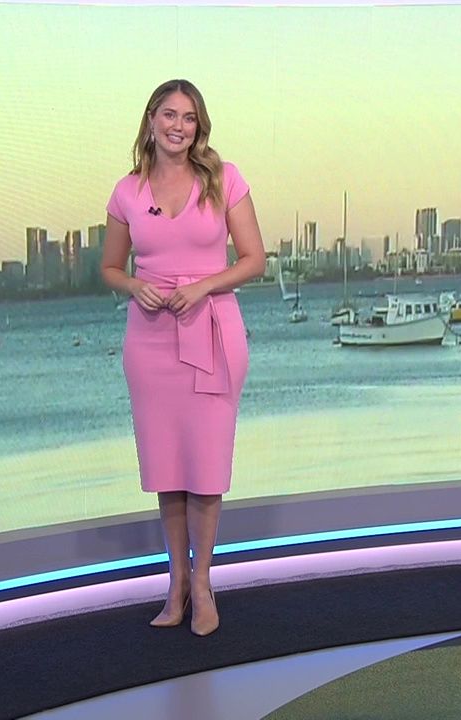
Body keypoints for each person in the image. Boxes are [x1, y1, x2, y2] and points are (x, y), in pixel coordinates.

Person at [101, 79, 265, 637]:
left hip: (213, 333)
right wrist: (133, 286)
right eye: (169, 115)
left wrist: (203, 286)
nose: (178, 126)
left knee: (206, 469)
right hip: (150, 341)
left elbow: (254, 259)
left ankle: (204, 584)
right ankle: (175, 586)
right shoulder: (127, 191)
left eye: (189, 117)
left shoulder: (224, 178)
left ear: (199, 126)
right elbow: (110, 268)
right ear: (151, 120)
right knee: (168, 471)